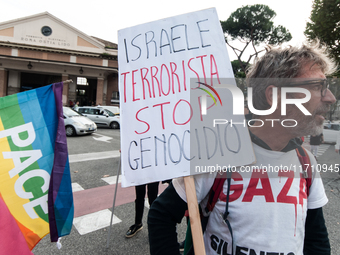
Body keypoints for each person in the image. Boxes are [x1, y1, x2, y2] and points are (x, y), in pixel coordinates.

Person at [148, 40, 336, 255]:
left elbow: (316, 240)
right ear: (274, 96)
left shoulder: (306, 162)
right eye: (316, 86)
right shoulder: (220, 151)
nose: (330, 98)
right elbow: (161, 215)